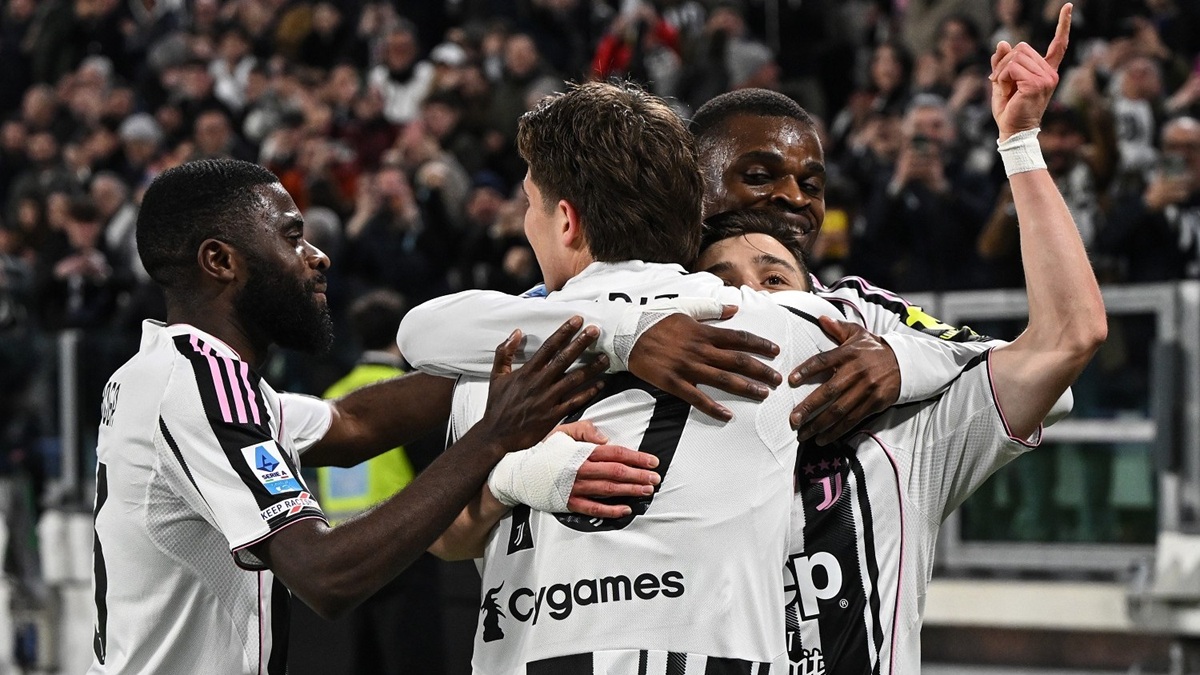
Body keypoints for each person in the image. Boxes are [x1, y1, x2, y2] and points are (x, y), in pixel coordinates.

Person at [438, 7, 1103, 673]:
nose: (792, 197)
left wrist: (1019, 147)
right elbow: (451, 505)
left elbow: (1062, 344)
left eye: (811, 184)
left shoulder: (871, 349)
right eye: (758, 175)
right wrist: (519, 467)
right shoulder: (571, 344)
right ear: (688, 190)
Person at [399, 79, 887, 672]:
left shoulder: (497, 355)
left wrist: (507, 473)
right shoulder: (781, 325)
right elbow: (977, 357)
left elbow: (448, 532)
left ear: (566, 221)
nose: (526, 223)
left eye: (530, 204)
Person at [85, 158, 619, 675]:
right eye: (292, 237)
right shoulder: (196, 382)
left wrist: (527, 341)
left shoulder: (175, 374)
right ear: (220, 261)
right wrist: (493, 436)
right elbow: (325, 573)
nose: (318, 256)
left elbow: (353, 423)